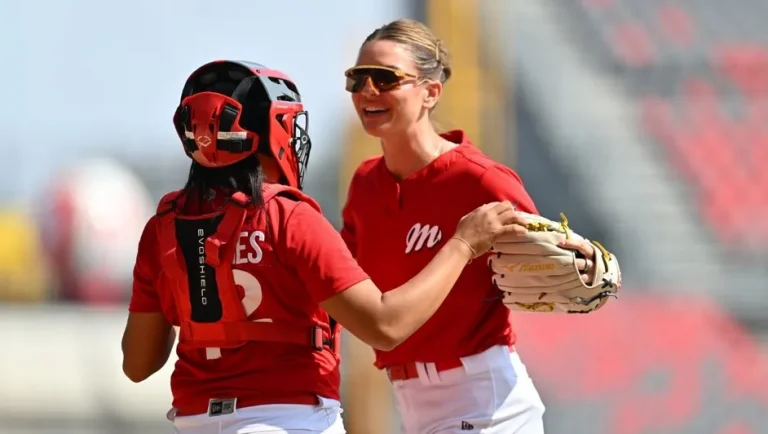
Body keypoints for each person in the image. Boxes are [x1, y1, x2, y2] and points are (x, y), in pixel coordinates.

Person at [120, 59, 527, 434]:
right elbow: (385, 328)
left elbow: (138, 364)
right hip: (290, 420)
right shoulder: (288, 217)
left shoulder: (164, 226)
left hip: (194, 423)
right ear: (274, 131)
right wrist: (463, 242)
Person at [341, 19, 604, 433]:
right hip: (410, 401)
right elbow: (345, 286)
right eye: (358, 78)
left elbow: (547, 262)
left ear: (431, 92)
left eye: (385, 78)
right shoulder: (364, 186)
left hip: (484, 401)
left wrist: (578, 263)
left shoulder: (480, 180)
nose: (368, 90)